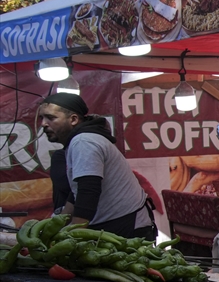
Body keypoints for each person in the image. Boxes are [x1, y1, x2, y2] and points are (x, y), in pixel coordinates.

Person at [36, 92, 155, 240]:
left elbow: (88, 190)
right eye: (42, 118)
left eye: (51, 118)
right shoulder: (79, 140)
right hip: (113, 224)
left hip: (127, 226)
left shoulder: (83, 141)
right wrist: (58, 222)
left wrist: (72, 234)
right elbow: (76, 193)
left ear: (73, 119)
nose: (43, 124)